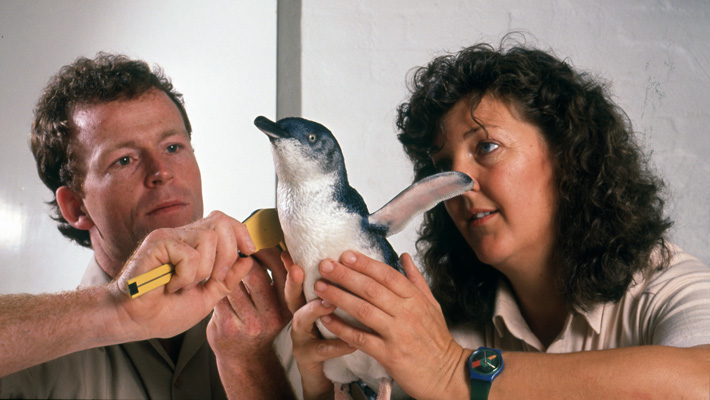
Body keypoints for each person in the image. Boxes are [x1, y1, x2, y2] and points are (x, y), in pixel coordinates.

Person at [284, 39, 710, 399]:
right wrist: (320, 382)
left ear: (567, 156)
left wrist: (456, 373)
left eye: (486, 147)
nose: (462, 182)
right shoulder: (449, 323)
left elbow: (701, 380)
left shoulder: (664, 286)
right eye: (443, 165)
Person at [0, 53, 295, 399]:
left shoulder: (281, 321)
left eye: (172, 147)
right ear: (76, 206)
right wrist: (116, 309)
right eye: (124, 159)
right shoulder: (31, 365)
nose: (162, 171)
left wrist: (252, 364)